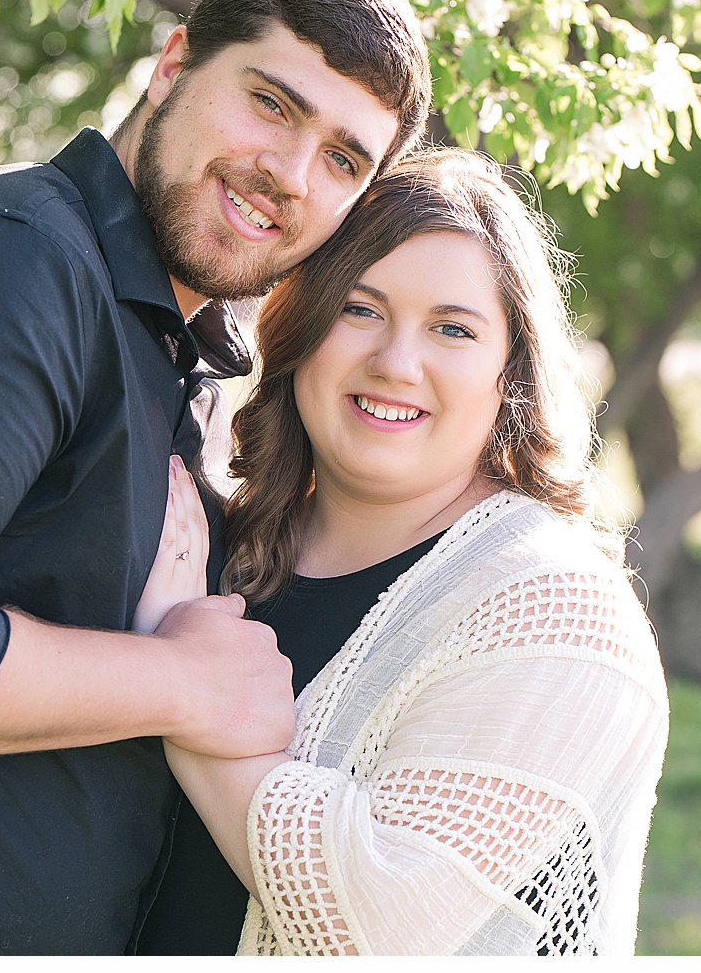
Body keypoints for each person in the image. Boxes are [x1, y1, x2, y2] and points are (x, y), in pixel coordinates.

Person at [0, 0, 434, 954]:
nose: (290, 173)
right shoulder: (14, 248)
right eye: (272, 102)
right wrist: (183, 683)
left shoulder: (190, 355)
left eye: (343, 157)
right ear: (171, 67)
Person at [138, 148, 668, 955]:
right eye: (360, 309)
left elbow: (380, 921)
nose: (397, 362)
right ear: (299, 328)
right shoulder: (213, 549)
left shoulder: (557, 607)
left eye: (453, 328)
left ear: (509, 373)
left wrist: (179, 678)